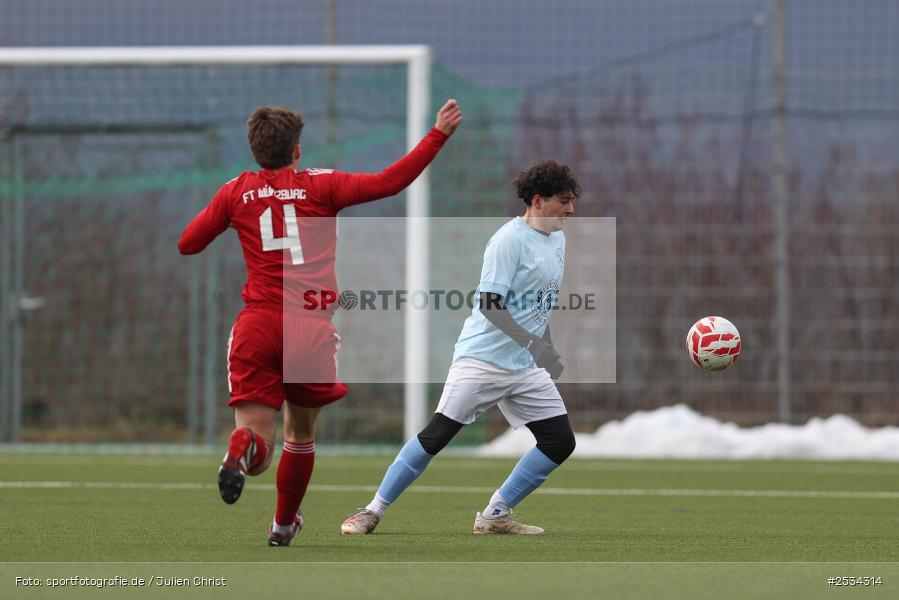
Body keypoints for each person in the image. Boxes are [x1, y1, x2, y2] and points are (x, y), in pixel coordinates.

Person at [178, 99, 462, 546]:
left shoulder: (234, 192)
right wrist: (437, 134)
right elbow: (391, 182)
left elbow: (188, 243)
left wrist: (235, 213)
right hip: (310, 328)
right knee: (301, 434)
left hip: (258, 325)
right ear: (297, 150)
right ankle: (282, 525)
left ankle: (241, 448)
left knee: (258, 442)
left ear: (255, 150)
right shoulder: (322, 185)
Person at [341, 159, 578, 536]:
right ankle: (371, 511)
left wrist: (541, 347)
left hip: (524, 366)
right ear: (537, 200)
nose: (571, 209)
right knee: (436, 436)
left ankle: (495, 515)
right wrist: (534, 342)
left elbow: (539, 303)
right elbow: (490, 303)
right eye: (563, 201)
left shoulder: (558, 239)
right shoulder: (508, 241)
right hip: (481, 361)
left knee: (559, 441)